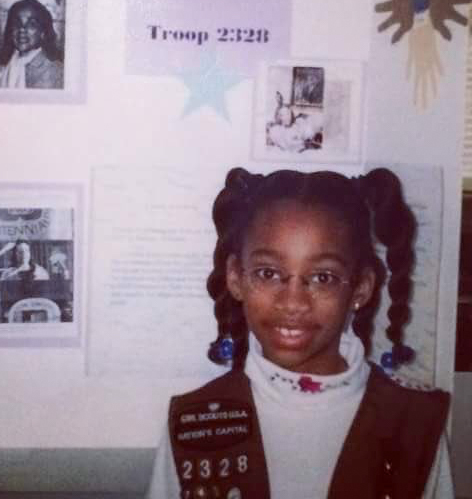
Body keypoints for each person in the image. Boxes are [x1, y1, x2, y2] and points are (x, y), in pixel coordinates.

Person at [146, 167, 453, 499]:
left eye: (323, 277)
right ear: (236, 277)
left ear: (361, 288)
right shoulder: (194, 423)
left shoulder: (415, 424)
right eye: (268, 273)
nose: (293, 302)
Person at [0, 0, 64, 89]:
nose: (22, 29)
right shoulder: (5, 65)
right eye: (17, 23)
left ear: (43, 32)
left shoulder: (54, 71)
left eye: (31, 24)